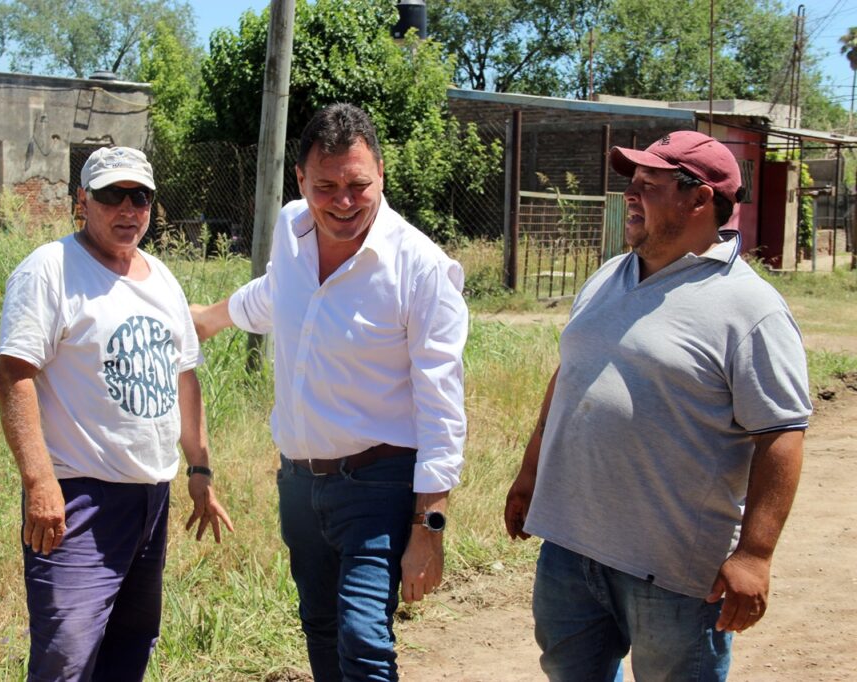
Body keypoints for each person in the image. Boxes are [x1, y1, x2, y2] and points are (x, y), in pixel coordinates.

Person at [504, 130, 813, 681]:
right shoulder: (607, 277)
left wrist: (755, 554)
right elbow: (569, 378)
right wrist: (529, 476)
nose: (631, 194)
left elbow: (782, 432)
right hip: (571, 549)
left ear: (699, 200)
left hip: (673, 571)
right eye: (633, 183)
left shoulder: (750, 308)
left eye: (650, 184)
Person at [191, 103, 468, 682]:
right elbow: (275, 294)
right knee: (319, 625)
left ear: (382, 176)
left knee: (361, 635)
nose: (343, 201)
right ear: (301, 181)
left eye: (358, 185)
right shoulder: (291, 230)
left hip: (379, 483)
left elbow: (442, 407)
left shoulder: (420, 269)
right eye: (327, 186)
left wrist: (429, 526)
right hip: (298, 482)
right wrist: (210, 318)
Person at [0, 146, 233, 681]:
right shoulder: (50, 270)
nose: (127, 209)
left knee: (130, 645)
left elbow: (183, 377)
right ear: (83, 200)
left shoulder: (163, 280)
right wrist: (39, 482)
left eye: (139, 197)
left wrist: (199, 469)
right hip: (78, 498)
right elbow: (13, 375)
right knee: (67, 655)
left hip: (151, 498)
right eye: (110, 196)